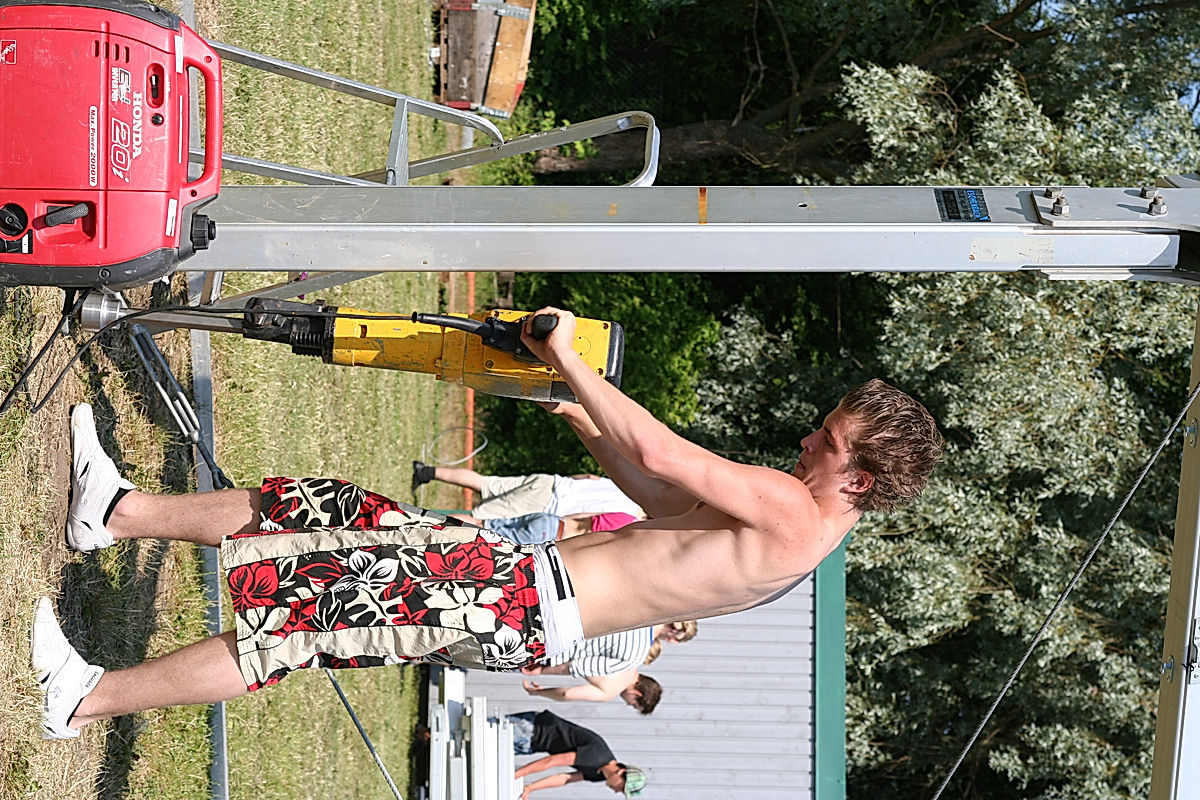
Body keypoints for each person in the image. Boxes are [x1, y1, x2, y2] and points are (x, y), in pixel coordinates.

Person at [32, 307, 942, 741]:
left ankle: (84, 698)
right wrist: (579, 415)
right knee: (327, 511)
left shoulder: (794, 510)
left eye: (825, 441)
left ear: (856, 479)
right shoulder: (800, 539)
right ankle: (114, 513)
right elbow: (657, 501)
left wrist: (570, 360)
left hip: (516, 599)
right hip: (513, 585)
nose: (804, 442)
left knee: (301, 624)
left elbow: (668, 457)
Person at [412, 464, 644, 520]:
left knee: (485, 483)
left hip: (551, 483)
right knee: (479, 520)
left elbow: (590, 478)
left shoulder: (631, 489)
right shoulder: (628, 517)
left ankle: (425, 471)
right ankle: (415, 519)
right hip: (546, 506)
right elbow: (585, 520)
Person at [505, 709, 646, 799]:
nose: (616, 791)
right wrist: (514, 776)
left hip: (532, 744)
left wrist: (530, 788)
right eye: (621, 788)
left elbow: (565, 778)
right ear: (621, 771)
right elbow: (551, 761)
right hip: (531, 728)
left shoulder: (599, 775)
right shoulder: (597, 756)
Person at [520, 627, 667, 712]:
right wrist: (539, 686)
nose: (628, 704)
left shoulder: (633, 659)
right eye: (634, 705)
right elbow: (567, 692)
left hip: (565, 629)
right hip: (548, 653)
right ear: (637, 694)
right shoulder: (610, 691)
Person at [454, 510, 639, 546]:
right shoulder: (626, 536)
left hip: (551, 521)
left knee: (481, 522)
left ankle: (438, 520)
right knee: (485, 536)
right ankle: (442, 529)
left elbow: (585, 514)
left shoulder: (627, 516)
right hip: (551, 535)